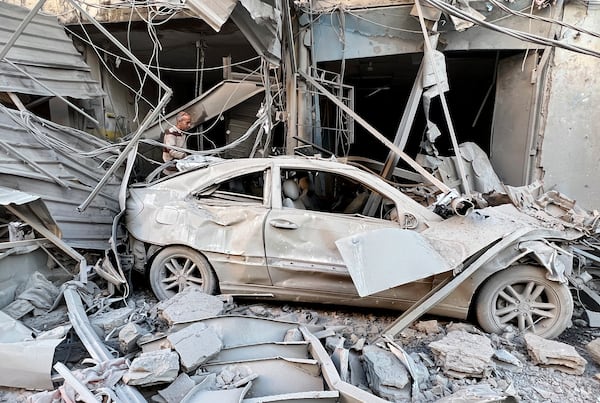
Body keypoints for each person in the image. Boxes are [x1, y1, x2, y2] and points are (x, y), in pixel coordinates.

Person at [162, 111, 192, 175]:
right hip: (172, 169)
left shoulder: (182, 133)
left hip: (179, 165)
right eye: (187, 123)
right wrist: (185, 156)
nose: (189, 125)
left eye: (190, 122)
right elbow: (171, 151)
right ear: (179, 122)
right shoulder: (171, 133)